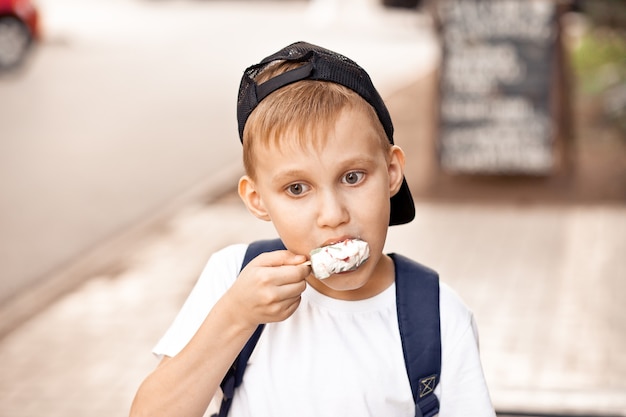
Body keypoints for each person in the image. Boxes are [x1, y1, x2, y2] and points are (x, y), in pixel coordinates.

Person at [130, 41, 495, 417]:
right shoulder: (231, 279)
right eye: (297, 189)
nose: (332, 214)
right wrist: (235, 317)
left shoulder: (437, 314)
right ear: (257, 199)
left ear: (391, 173)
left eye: (352, 177)